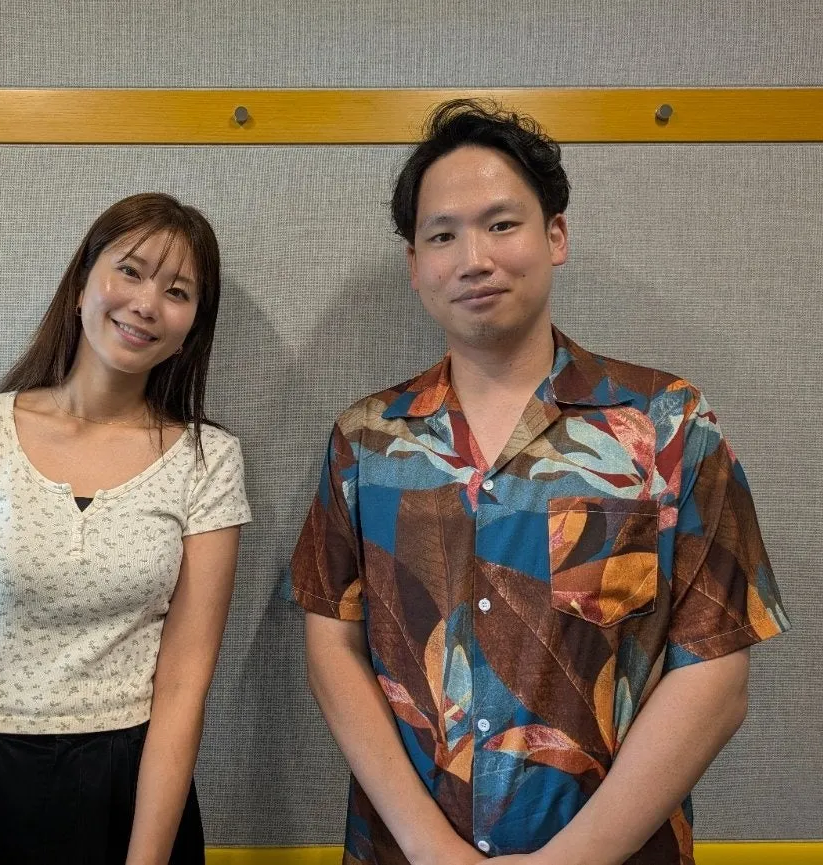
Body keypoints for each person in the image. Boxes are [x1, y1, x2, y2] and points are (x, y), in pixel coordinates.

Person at [289, 101, 788, 865]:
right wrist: (430, 847)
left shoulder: (666, 424)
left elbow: (715, 673)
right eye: (442, 235)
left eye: (501, 224)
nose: (474, 258)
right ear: (414, 264)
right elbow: (333, 644)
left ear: (555, 235)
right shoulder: (366, 442)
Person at [0, 192, 251, 864]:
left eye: (177, 291)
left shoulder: (207, 460)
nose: (147, 303)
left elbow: (184, 688)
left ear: (192, 326)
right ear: (80, 285)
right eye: (131, 271)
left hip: (124, 797)